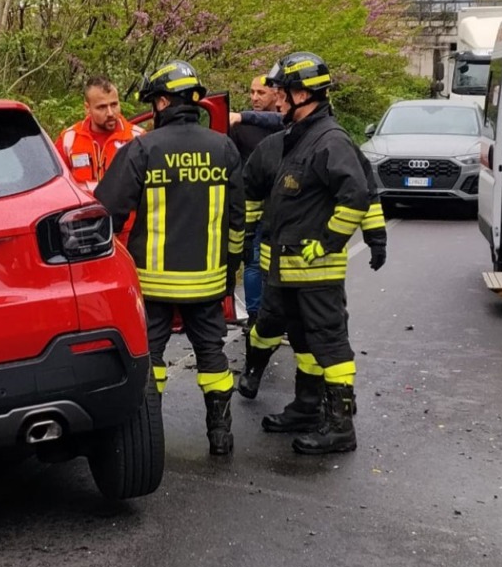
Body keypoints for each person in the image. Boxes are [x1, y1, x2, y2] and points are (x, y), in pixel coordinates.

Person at [237, 52, 388, 455]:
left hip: (316, 271)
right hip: (287, 271)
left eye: (281, 91)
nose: (276, 98)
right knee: (303, 342)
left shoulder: (330, 141)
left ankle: (340, 427)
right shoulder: (297, 137)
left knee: (330, 345)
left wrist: (330, 242)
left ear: (302, 94)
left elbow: (357, 196)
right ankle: (306, 407)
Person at [94, 60, 245, 456]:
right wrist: (229, 273)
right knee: (212, 353)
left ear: (162, 102)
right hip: (208, 281)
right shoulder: (224, 147)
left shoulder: (143, 148)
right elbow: (238, 221)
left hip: (153, 284)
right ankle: (221, 436)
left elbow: (108, 211)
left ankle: (150, 435)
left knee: (152, 357)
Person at [229, 76, 287, 328]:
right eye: (251, 92)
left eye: (261, 92)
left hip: (283, 206)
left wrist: (242, 116)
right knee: (252, 262)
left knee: (280, 262)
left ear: (276, 94)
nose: (254, 97)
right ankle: (255, 317)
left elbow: (278, 119)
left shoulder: (286, 121)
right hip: (252, 207)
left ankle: (278, 316)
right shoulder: (239, 127)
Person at [54, 76, 144, 191]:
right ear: (87, 108)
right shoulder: (69, 139)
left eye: (114, 105)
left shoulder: (138, 138)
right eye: (102, 107)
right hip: (84, 203)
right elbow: (55, 183)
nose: (110, 113)